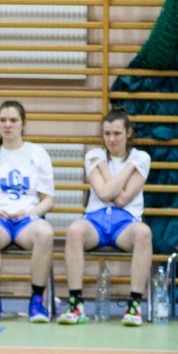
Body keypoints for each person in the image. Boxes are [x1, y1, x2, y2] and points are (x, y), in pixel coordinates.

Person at [63, 109, 153, 326]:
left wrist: (109, 169)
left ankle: (134, 306)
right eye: (107, 134)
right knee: (74, 230)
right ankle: (76, 305)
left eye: (117, 133)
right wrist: (129, 169)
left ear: (128, 133)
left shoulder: (141, 157)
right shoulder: (93, 155)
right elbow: (103, 194)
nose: (111, 139)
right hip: (95, 219)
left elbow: (123, 200)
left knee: (144, 233)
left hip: (126, 222)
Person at [0, 100, 56, 323]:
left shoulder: (38, 153)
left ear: (23, 124)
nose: (8, 125)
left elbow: (48, 199)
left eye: (13, 120)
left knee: (45, 233)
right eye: (3, 120)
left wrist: (32, 213)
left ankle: (37, 301)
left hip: (27, 219)